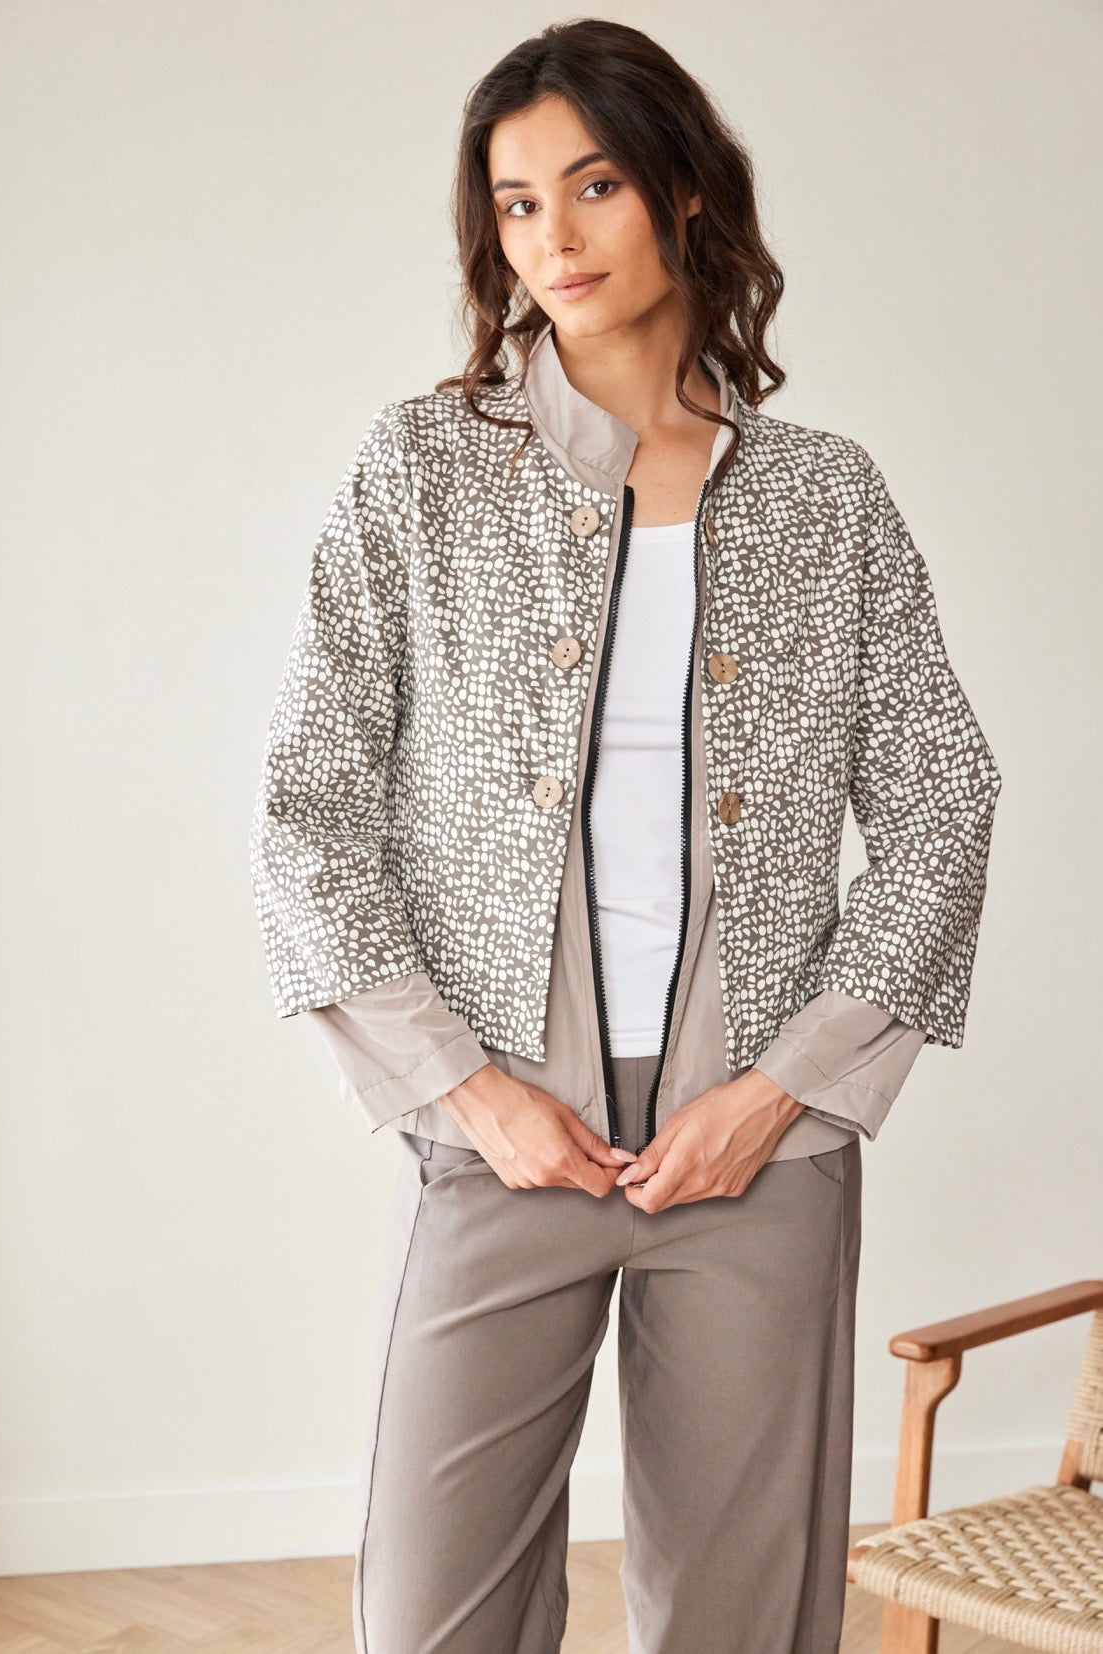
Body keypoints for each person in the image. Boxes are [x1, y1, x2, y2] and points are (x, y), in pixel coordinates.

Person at [249, 19, 1003, 1653]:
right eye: (516, 203)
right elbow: (305, 807)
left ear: (682, 190)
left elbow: (944, 800)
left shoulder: (826, 499)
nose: (555, 237)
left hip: (756, 1143)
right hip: (505, 1122)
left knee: (744, 1615)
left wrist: (780, 1087)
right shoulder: (421, 472)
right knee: (433, 1613)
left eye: (592, 186)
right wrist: (466, 1090)